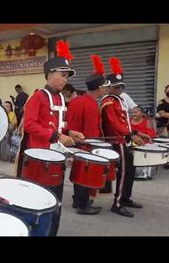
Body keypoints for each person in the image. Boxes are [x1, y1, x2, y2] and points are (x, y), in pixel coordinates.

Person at [15, 40, 85, 236]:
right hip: (38, 159)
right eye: (62, 75)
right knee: (37, 201)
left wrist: (70, 132)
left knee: (56, 200)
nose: (65, 79)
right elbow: (29, 125)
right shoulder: (38, 96)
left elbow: (59, 123)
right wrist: (57, 136)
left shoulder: (61, 98)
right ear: (50, 75)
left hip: (56, 158)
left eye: (67, 76)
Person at [101, 57, 149, 218]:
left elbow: (125, 122)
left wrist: (135, 133)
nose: (120, 89)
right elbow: (114, 124)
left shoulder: (120, 100)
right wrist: (130, 135)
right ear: (109, 87)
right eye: (117, 86)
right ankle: (118, 203)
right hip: (117, 141)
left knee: (130, 170)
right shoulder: (108, 101)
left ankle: (126, 198)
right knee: (122, 172)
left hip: (125, 139)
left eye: (122, 86)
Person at [66, 54, 110, 215]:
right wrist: (95, 146)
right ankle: (82, 205)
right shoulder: (91, 105)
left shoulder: (77, 100)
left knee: (78, 172)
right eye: (105, 87)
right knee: (85, 175)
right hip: (85, 143)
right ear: (99, 89)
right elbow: (91, 131)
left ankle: (77, 200)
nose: (105, 90)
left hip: (73, 142)